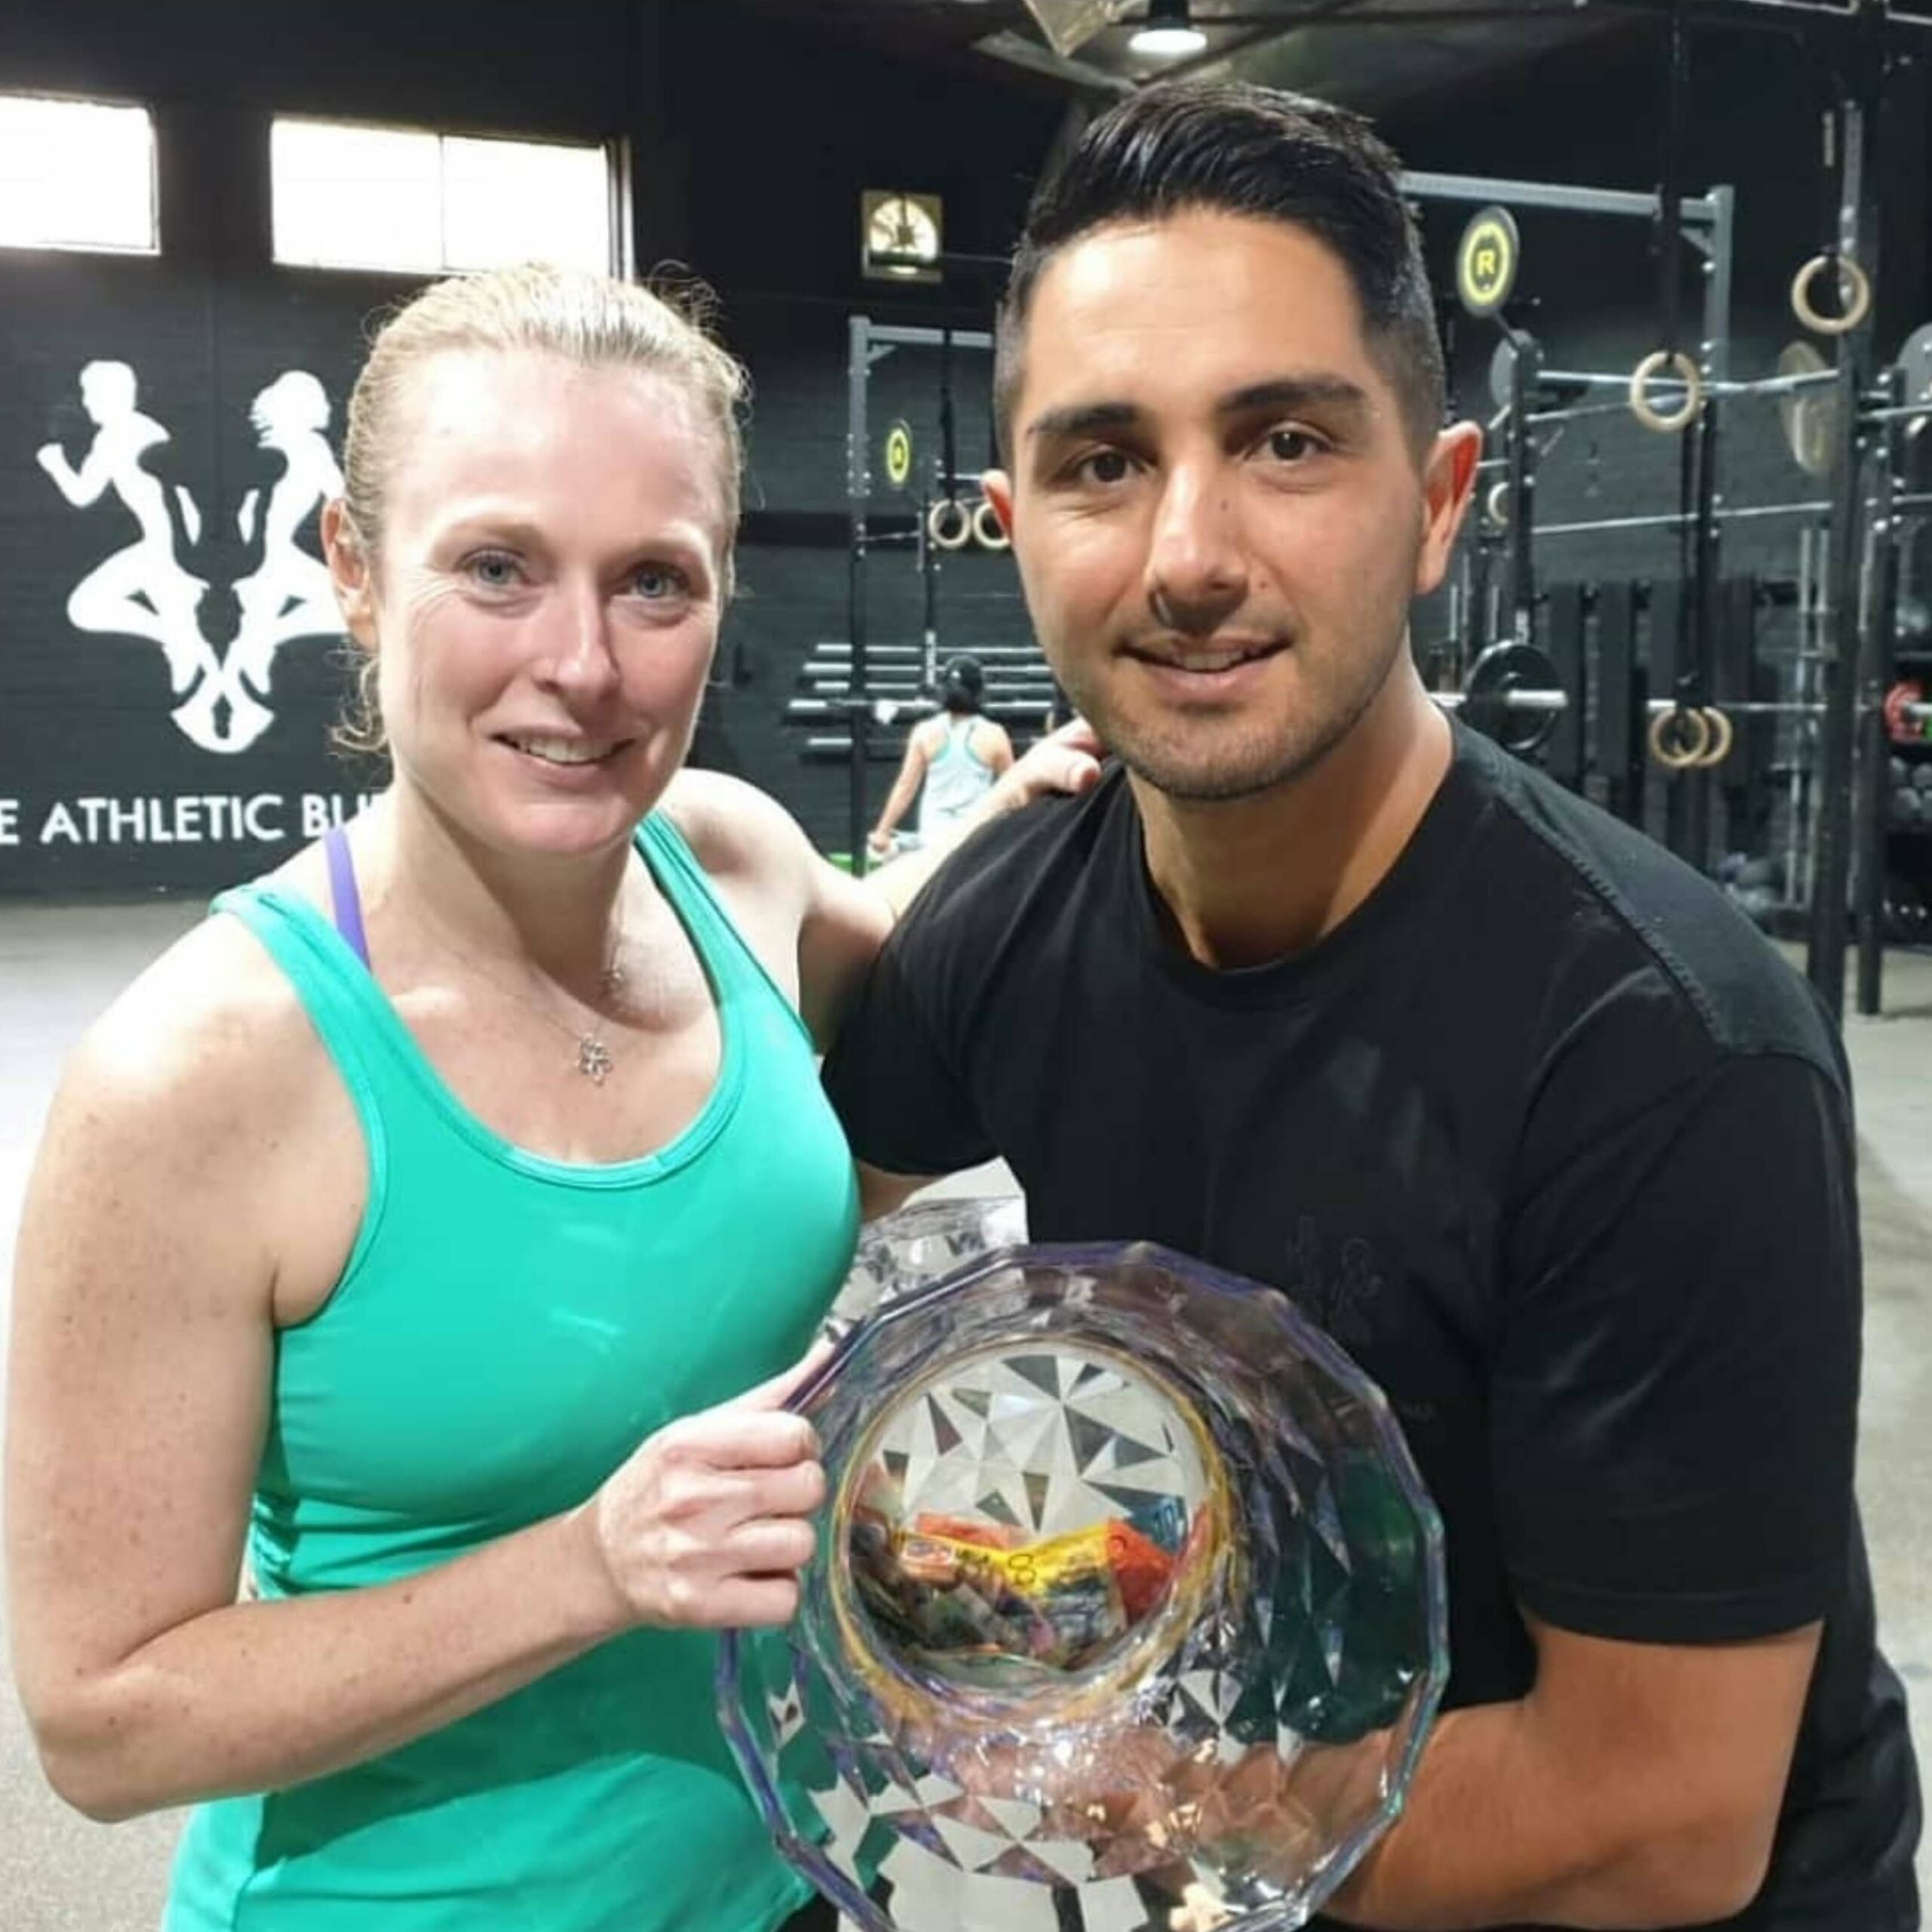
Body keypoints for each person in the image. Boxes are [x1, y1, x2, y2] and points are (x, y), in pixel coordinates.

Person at [823, 82, 1921, 1929]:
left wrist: (1139, 1799)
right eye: (1101, 462)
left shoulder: (1660, 1048)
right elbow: (761, 1234)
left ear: (1434, 500)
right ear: (1009, 522)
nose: (1187, 553)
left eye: (1283, 441)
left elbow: (1655, 1814)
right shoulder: (995, 928)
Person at [5, 263, 1097, 1932]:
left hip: (784, 1879)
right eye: (497, 568)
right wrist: (590, 1568)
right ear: (353, 572)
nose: (581, 664)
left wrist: (1042, 811)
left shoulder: (733, 864)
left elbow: (929, 972)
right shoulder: (201, 1077)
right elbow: (103, 1719)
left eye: (653, 581)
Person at [866, 654, 1015, 860]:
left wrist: (882, 833)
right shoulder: (994, 735)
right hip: (977, 841)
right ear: (979, 690)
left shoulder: (925, 732)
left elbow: (905, 787)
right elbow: (1013, 790)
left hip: (933, 841)